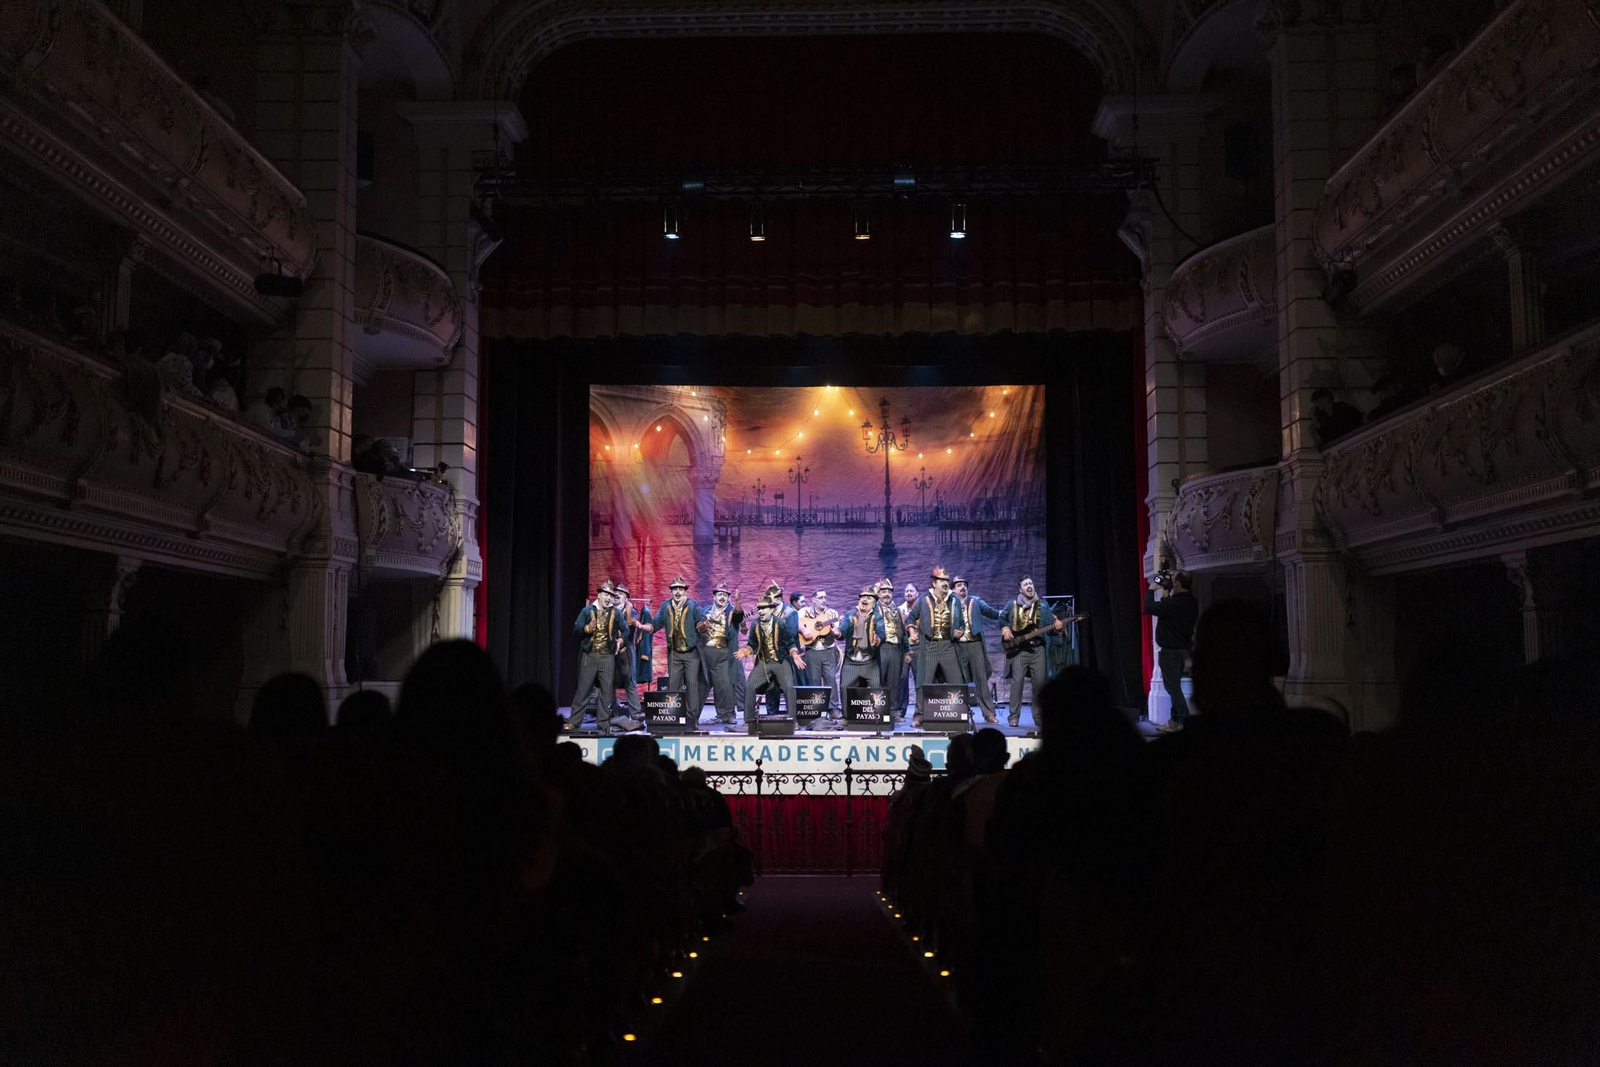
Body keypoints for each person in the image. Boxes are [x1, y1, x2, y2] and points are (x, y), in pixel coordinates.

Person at [567, 581, 638, 733]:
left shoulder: (616, 613)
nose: (608, 598)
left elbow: (625, 630)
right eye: (606, 595)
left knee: (606, 691)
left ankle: (604, 723)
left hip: (608, 658)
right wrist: (587, 628)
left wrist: (620, 640)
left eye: (611, 596)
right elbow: (576, 630)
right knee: (583, 690)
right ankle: (574, 722)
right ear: (599, 595)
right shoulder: (587, 611)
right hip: (590, 656)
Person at [1000, 576, 1064, 728]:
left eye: (1031, 583)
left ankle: (1039, 717)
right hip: (1019, 650)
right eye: (1025, 584)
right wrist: (1005, 628)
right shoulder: (1012, 604)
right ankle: (1013, 717)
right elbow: (1002, 618)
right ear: (1020, 589)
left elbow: (1050, 629)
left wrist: (1058, 629)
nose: (1029, 586)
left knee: (1040, 684)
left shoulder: (1043, 605)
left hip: (1037, 649)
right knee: (1017, 682)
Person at [909, 566, 967, 726]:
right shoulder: (923, 600)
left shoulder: (954, 600)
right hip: (930, 646)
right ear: (934, 583)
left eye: (947, 580)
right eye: (942, 580)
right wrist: (913, 632)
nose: (945, 583)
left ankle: (960, 714)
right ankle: (919, 715)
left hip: (949, 646)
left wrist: (960, 631)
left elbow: (961, 623)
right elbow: (911, 619)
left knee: (956, 681)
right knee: (923, 682)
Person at [1143, 570, 1199, 731]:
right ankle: (1173, 721)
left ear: (1178, 584)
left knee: (1172, 688)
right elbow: (1172, 615)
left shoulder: (1171, 604)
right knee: (1175, 687)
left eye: (1174, 581)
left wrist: (1152, 589)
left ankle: (1183, 721)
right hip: (1185, 650)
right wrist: (1167, 595)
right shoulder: (1192, 602)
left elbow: (1148, 607)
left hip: (1171, 653)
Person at [735, 595, 802, 719]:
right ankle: (748, 720)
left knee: (788, 687)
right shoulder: (755, 624)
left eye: (763, 608)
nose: (760, 611)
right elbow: (752, 644)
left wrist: (794, 654)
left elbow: (790, 642)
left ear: (771, 610)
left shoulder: (781, 623)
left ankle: (793, 720)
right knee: (750, 686)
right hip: (764, 662)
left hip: (780, 661)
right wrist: (745, 651)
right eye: (759, 608)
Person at [952, 577, 1004, 724]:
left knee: (981, 680)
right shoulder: (951, 604)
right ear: (953, 589)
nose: (962, 587)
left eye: (964, 585)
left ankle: (989, 714)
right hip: (958, 647)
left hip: (975, 645)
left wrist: (1007, 613)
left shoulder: (976, 601)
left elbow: (992, 612)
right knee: (960, 681)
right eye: (959, 585)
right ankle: (959, 714)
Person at [655, 576, 705, 716]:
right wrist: (642, 626)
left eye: (680, 589)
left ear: (685, 591)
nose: (677, 591)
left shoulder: (693, 605)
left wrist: (702, 627)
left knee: (692, 685)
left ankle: (691, 717)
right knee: (673, 685)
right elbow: (655, 624)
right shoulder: (666, 606)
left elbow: (702, 622)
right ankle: (673, 716)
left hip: (691, 653)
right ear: (671, 591)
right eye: (675, 589)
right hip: (674, 653)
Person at [695, 581, 743, 726]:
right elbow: (696, 628)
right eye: (719, 594)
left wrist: (738, 601)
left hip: (722, 652)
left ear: (728, 598)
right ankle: (692, 715)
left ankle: (727, 715)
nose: (722, 597)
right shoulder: (705, 611)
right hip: (704, 653)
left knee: (724, 685)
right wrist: (701, 629)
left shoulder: (731, 612)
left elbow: (739, 616)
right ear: (714, 597)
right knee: (700, 685)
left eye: (725, 595)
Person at [799, 589, 841, 720]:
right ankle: (816, 709)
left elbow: (837, 630)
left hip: (828, 649)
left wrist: (836, 631)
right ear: (813, 600)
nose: (823, 600)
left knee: (831, 679)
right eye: (820, 597)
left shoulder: (832, 613)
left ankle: (833, 708)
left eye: (825, 597)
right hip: (812, 651)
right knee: (814, 680)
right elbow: (794, 622)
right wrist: (804, 629)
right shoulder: (804, 611)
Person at [837, 587, 886, 694]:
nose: (864, 600)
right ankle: (847, 711)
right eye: (862, 597)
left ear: (873, 604)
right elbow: (842, 632)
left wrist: (877, 640)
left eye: (868, 598)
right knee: (844, 688)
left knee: (877, 692)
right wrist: (837, 633)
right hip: (851, 663)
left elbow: (882, 634)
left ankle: (876, 711)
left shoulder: (877, 617)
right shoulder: (850, 615)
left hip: (870, 663)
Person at [611, 581, 648, 722]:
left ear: (626, 598)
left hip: (626, 650)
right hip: (612, 650)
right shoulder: (609, 610)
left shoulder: (631, 611)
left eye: (620, 594)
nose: (616, 596)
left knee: (630, 681)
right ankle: (612, 714)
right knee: (609, 682)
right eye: (616, 593)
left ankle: (636, 713)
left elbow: (628, 627)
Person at [875, 578, 910, 722]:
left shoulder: (897, 610)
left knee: (894, 681)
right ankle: (878, 710)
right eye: (883, 591)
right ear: (878, 594)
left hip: (895, 649)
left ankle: (893, 711)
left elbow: (903, 631)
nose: (886, 594)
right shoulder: (874, 609)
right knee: (879, 680)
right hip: (881, 648)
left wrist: (907, 650)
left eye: (889, 591)